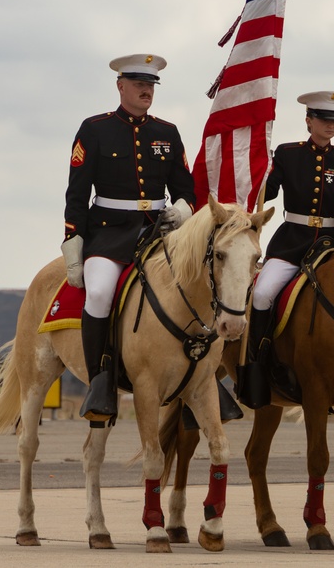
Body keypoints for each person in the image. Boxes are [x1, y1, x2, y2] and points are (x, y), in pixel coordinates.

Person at [62, 54, 196, 422]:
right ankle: (99, 383)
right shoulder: (94, 129)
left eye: (150, 85)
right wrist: (74, 245)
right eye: (139, 84)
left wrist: (183, 210)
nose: (146, 91)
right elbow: (77, 193)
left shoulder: (167, 133)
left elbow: (187, 190)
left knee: (197, 284)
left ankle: (200, 380)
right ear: (120, 86)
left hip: (158, 231)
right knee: (101, 291)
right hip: (108, 232)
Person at [241, 90, 334, 407]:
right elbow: (268, 194)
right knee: (261, 295)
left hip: (330, 243)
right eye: (324, 120)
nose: (330, 126)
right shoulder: (287, 154)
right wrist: (258, 169)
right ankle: (257, 366)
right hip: (290, 242)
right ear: (309, 120)